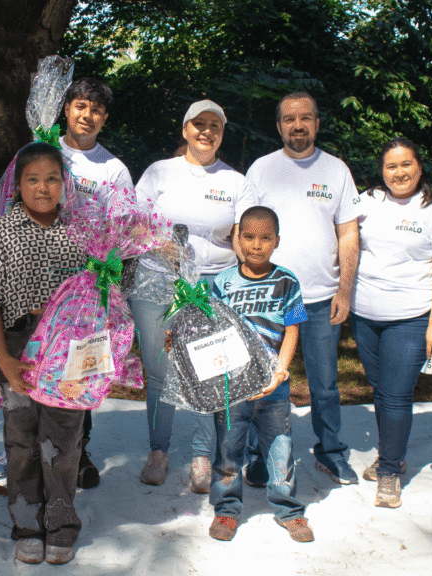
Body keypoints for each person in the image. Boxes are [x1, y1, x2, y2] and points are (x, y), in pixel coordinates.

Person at [0, 142, 88, 565]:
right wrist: (3, 360)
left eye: (52, 178)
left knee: (64, 439)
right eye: (33, 180)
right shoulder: (1, 233)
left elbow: (101, 290)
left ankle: (60, 523)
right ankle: (26, 524)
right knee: (21, 438)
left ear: (64, 184)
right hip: (18, 348)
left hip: (68, 354)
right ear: (16, 186)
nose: (43, 188)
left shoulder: (82, 231)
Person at [132, 100, 256, 492]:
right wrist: (154, 242)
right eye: (198, 124)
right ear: (185, 129)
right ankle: (158, 451)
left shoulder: (235, 182)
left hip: (211, 284)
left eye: (214, 125)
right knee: (160, 372)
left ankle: (202, 455)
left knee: (210, 369)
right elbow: (132, 224)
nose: (206, 131)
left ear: (222, 132)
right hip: (157, 282)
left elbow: (247, 235)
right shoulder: (159, 172)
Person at [245, 91, 360, 486]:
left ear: (317, 123)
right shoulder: (261, 170)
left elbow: (348, 234)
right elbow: (243, 232)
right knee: (261, 378)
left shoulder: (336, 170)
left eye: (306, 118)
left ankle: (330, 452)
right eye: (290, 119)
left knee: (324, 382)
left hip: (319, 299)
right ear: (278, 126)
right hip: (267, 297)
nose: (298, 125)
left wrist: (344, 291)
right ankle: (259, 456)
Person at [349, 138, 432, 508]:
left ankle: (389, 472)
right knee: (380, 390)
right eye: (391, 166)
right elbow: (345, 242)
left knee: (396, 396)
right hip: (365, 315)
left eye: (406, 164)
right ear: (382, 171)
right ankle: (389, 454)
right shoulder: (366, 202)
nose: (399, 172)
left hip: (411, 318)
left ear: (419, 167)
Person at [205, 206, 315, 543]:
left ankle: (289, 511)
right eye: (249, 237)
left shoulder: (286, 281)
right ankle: (226, 510)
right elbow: (211, 332)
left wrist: (280, 371)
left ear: (277, 241)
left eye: (265, 237)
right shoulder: (221, 282)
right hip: (232, 390)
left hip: (274, 391)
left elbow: (292, 329)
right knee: (227, 453)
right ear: (238, 240)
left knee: (280, 452)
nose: (256, 245)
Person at [59, 77, 134, 489]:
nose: (87, 116)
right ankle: (37, 448)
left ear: (104, 119)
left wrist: (104, 280)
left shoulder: (114, 169)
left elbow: (123, 231)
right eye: (80, 106)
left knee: (82, 364)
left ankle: (78, 449)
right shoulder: (42, 152)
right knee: (39, 361)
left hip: (87, 287)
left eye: (96, 110)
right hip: (40, 280)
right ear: (66, 108)